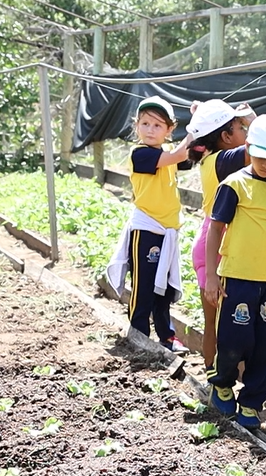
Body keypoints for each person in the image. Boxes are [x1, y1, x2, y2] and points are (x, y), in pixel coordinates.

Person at [187, 89, 266, 371]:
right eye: (239, 128)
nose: (244, 130)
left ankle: (220, 369)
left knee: (217, 320)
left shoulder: (210, 161)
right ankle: (222, 375)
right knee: (229, 319)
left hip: (219, 241)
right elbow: (261, 146)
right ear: (226, 137)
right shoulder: (224, 161)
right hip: (225, 247)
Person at [202, 114, 266, 428]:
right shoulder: (234, 184)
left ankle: (251, 403)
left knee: (265, 346)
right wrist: (214, 277)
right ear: (248, 147)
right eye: (262, 156)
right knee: (234, 339)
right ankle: (221, 384)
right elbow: (216, 229)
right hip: (238, 276)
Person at [105, 96, 192, 352]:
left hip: (166, 231)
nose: (150, 130)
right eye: (145, 123)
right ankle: (138, 333)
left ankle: (167, 336)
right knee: (143, 286)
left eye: (157, 125)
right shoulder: (141, 154)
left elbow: (192, 155)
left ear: (169, 130)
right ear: (136, 126)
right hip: (146, 231)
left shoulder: (167, 156)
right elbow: (180, 154)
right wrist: (195, 126)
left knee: (162, 290)